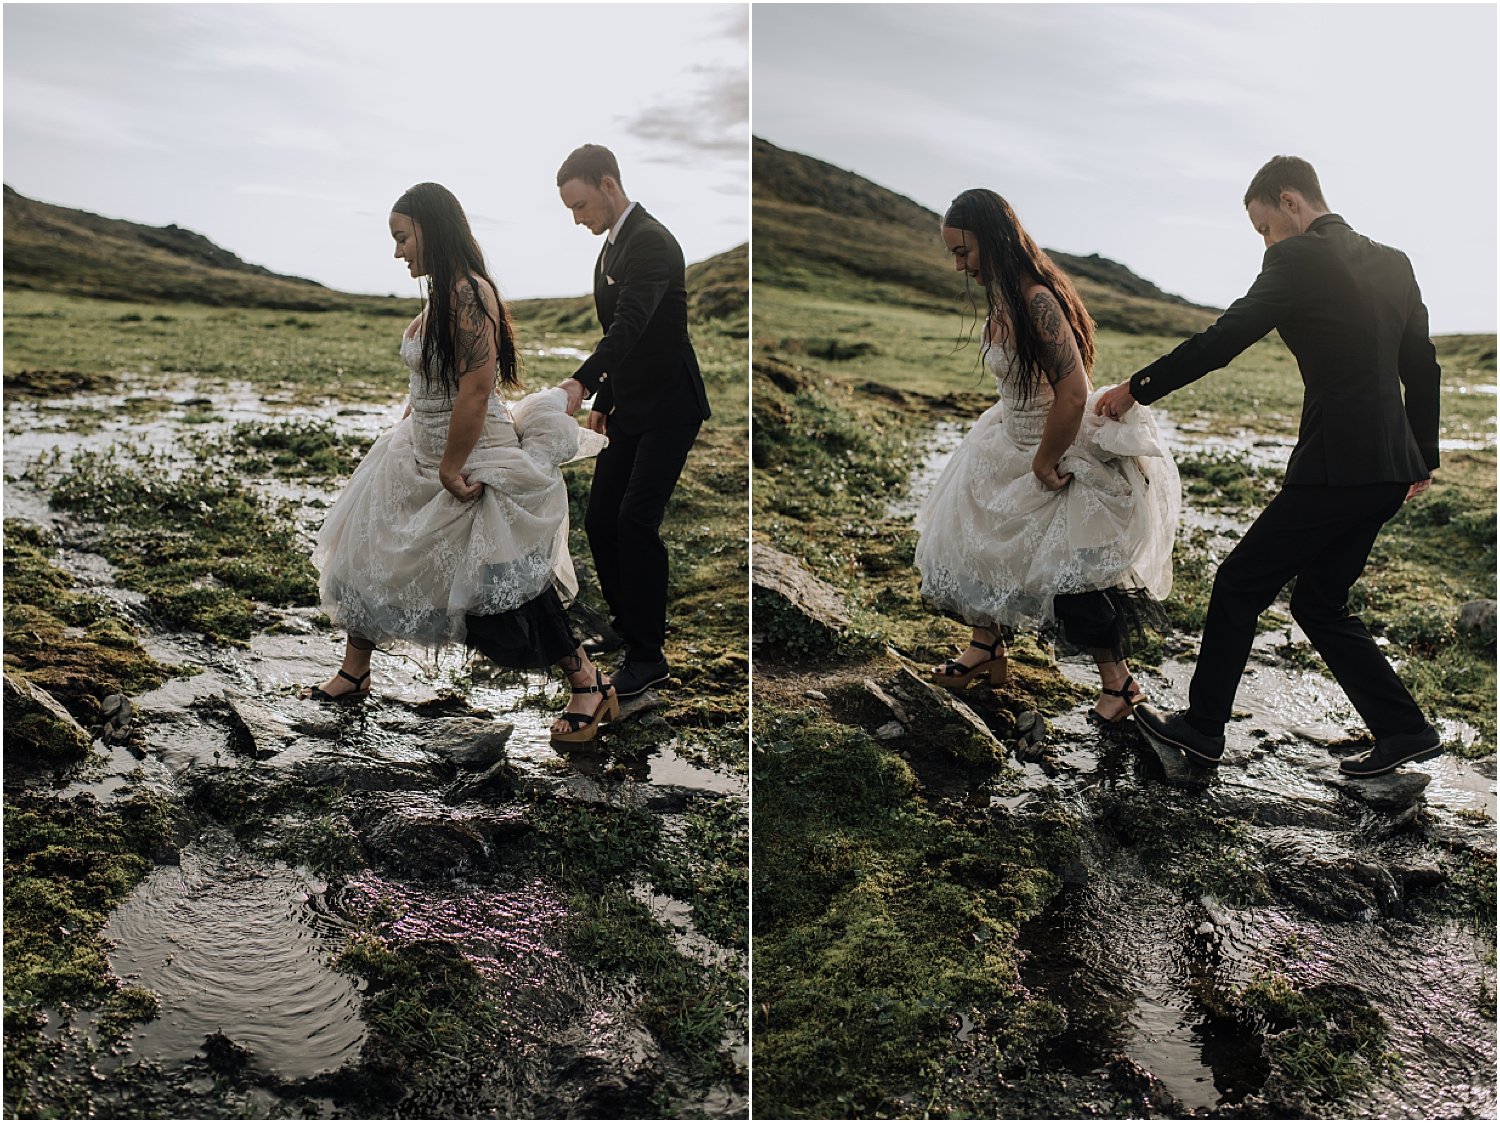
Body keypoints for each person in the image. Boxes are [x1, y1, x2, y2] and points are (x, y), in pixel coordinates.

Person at [1095, 156, 1443, 778]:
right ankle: (1404, 730)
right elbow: (1422, 364)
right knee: (1320, 601)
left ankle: (1202, 729)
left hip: (1338, 467)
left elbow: (1224, 339)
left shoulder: (1295, 258)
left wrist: (1137, 387)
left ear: (1290, 201)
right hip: (1390, 468)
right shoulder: (1394, 261)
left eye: (1263, 228)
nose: (1265, 242)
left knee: (1238, 585)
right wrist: (1423, 456)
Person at [306, 182, 616, 744]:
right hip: (421, 447)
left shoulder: (470, 294)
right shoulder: (440, 294)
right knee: (367, 552)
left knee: (505, 578)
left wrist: (450, 468)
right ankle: (355, 671)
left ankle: (588, 682)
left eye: (403, 238)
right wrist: (410, 424)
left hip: (470, 452)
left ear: (431, 229)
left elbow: (475, 390)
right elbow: (432, 378)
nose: (398, 251)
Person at [916, 189, 1180, 723]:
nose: (959, 265)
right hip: (1005, 437)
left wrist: (1045, 459)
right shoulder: (1007, 297)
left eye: (963, 252)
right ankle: (985, 648)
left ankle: (1120, 686)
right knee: (975, 543)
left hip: (1051, 441)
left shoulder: (1037, 299)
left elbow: (1074, 392)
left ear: (991, 241)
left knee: (1069, 573)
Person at [554, 144, 711, 700]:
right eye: (570, 210)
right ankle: (627, 625)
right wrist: (607, 400)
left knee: (635, 524)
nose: (577, 219)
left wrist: (582, 382)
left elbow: (632, 325)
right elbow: (621, 333)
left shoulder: (651, 241)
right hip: (629, 408)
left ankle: (649, 657)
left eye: (579, 204)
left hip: (671, 406)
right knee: (600, 521)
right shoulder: (609, 249)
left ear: (608, 184)